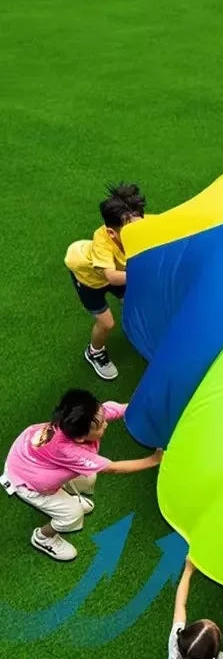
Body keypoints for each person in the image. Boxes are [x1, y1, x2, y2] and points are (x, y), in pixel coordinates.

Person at [1, 389, 162, 561]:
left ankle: (66, 497)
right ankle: (43, 537)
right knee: (73, 514)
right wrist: (153, 460)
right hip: (28, 484)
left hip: (31, 459)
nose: (105, 424)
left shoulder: (82, 418)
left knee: (88, 478)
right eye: (100, 426)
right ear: (80, 438)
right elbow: (113, 468)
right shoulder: (69, 451)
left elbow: (117, 409)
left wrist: (142, 408)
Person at [65, 182, 146, 380]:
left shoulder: (134, 225)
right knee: (107, 323)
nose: (139, 232)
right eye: (131, 231)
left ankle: (137, 328)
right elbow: (111, 277)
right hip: (89, 280)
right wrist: (144, 272)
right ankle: (95, 352)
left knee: (132, 300)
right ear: (112, 232)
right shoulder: (102, 242)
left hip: (118, 272)